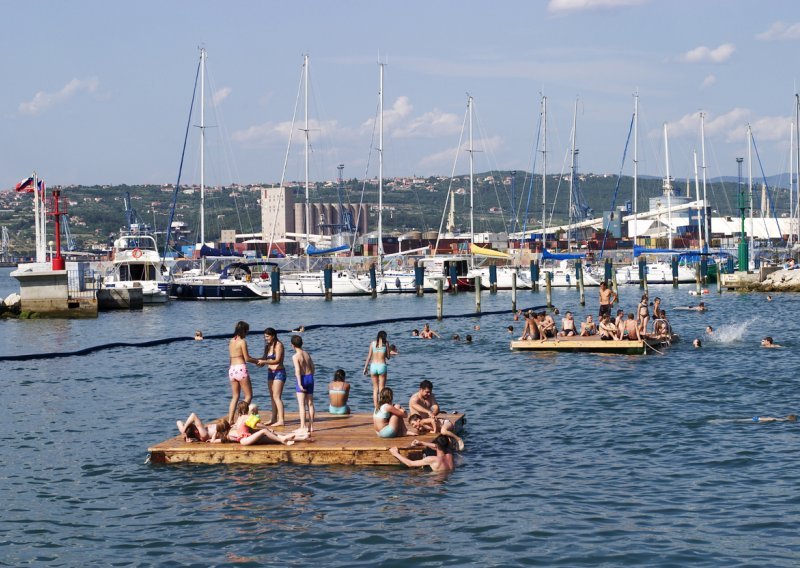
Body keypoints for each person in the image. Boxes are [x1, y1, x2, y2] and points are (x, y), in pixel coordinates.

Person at [227, 321, 263, 423]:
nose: (247, 333)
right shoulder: (242, 342)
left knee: (235, 397)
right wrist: (257, 361)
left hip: (232, 369)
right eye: (246, 331)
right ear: (243, 330)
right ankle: (240, 417)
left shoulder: (231, 341)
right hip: (240, 368)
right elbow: (247, 358)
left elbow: (230, 357)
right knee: (248, 396)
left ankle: (230, 420)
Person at [389, 435, 455, 472]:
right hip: (447, 479)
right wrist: (422, 443)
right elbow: (437, 446)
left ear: (437, 445)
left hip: (435, 483)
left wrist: (395, 453)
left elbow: (410, 464)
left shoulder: (433, 459)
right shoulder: (450, 454)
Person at [291, 334, 316, 432]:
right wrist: (311, 376)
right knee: (310, 403)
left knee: (301, 405)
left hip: (302, 378)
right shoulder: (307, 354)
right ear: (302, 343)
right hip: (310, 378)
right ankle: (311, 426)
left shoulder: (295, 356)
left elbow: (297, 370)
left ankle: (302, 427)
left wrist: (300, 383)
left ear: (292, 345)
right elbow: (313, 367)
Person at [262, 327, 287, 426]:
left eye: (267, 336)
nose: (266, 338)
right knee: (272, 397)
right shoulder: (268, 346)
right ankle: (273, 418)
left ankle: (281, 420)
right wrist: (255, 361)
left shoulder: (278, 345)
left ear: (273, 336)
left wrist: (264, 361)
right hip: (270, 372)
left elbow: (277, 360)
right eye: (265, 337)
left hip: (279, 372)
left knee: (277, 396)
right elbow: (264, 359)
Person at [364, 330, 391, 410]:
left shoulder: (372, 343)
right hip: (382, 366)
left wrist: (365, 368)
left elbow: (369, 356)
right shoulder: (386, 344)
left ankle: (376, 408)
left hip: (373, 366)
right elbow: (388, 357)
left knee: (375, 389)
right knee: (382, 388)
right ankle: (381, 406)